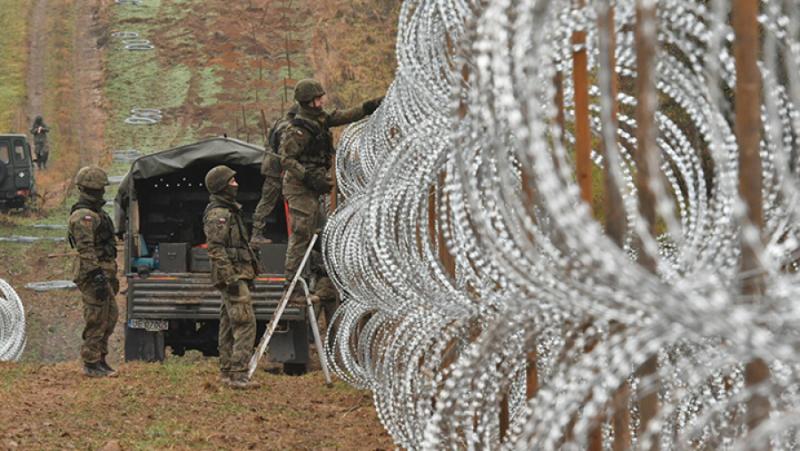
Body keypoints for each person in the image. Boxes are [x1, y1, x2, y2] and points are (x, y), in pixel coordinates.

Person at [279, 78, 382, 308]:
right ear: (309, 102)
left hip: (313, 187)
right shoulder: (296, 131)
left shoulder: (320, 119)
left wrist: (371, 106)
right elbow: (286, 160)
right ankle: (291, 286)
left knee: (322, 232)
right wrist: (308, 176)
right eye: (318, 98)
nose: (322, 100)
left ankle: (323, 276)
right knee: (302, 233)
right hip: (299, 188)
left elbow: (345, 116)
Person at [203, 165, 261, 389]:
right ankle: (238, 374)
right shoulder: (219, 215)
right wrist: (232, 279)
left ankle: (228, 372)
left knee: (228, 323)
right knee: (246, 322)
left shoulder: (229, 211)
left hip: (237, 274)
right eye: (232, 181)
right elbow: (216, 249)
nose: (236, 184)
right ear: (222, 187)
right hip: (233, 276)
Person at [68, 166, 118, 377]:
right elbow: (85, 249)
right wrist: (96, 275)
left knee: (110, 316)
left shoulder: (96, 213)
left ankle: (100, 358)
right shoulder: (83, 216)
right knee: (96, 317)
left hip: (103, 270)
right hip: (93, 272)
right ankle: (91, 362)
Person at [250, 104, 299, 246]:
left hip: (273, 168)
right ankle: (257, 234)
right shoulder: (287, 127)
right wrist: (287, 168)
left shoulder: (280, 122)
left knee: (269, 201)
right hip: (276, 171)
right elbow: (285, 151)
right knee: (269, 202)